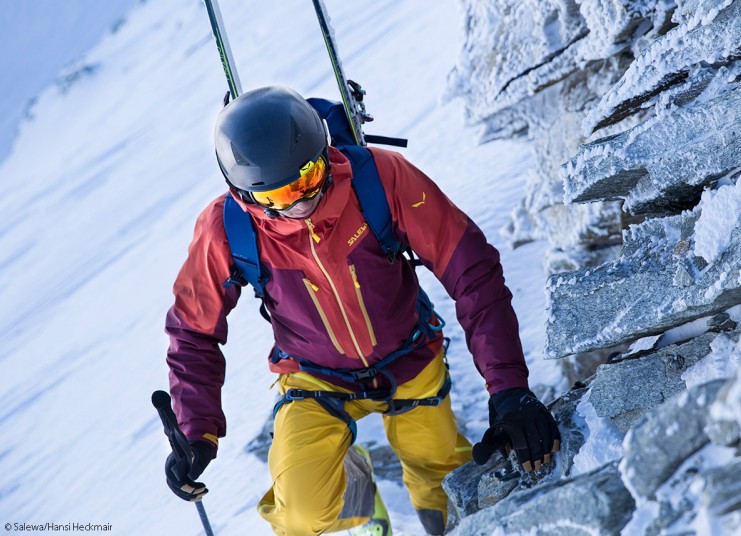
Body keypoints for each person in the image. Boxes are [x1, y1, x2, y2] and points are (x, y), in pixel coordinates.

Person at [163, 86, 560, 536]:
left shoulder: (379, 180)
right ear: (243, 195)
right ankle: (359, 499)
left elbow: (473, 271)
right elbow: (193, 332)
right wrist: (197, 431)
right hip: (313, 377)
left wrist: (508, 388)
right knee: (299, 515)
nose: (298, 204)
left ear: (325, 153)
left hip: (410, 358)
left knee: (446, 490)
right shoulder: (226, 228)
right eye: (276, 197)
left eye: (306, 179)